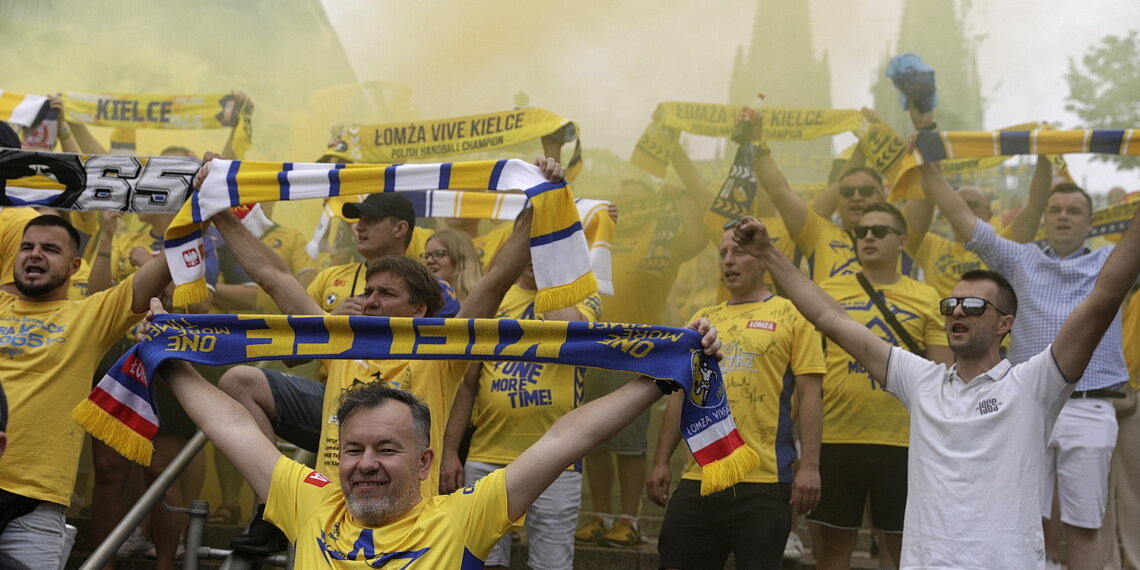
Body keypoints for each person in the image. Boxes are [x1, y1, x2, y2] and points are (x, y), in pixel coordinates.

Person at [148, 294, 719, 566]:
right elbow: (229, 423)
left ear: (424, 463)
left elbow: (564, 440)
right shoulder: (309, 502)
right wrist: (164, 353)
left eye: (386, 448)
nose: (364, 463)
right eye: (353, 449)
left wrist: (662, 376)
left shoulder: (461, 517)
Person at [730, 195, 1140, 568]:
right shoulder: (921, 380)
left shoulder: (1033, 384)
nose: (958, 312)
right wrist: (767, 251)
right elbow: (830, 319)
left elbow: (1103, 297)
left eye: (974, 305)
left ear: (1005, 324)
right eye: (951, 304)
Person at [205, 154, 563, 555]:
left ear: (419, 310)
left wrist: (539, 201)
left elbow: (495, 281)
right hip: (331, 522)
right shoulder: (339, 341)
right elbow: (274, 277)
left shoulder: (441, 352)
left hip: (413, 531)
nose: (370, 301)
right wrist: (219, 211)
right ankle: (267, 513)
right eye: (369, 291)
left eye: (386, 294)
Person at [915, 130, 1128, 570]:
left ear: (1092, 221)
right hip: (1023, 404)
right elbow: (960, 217)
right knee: (1026, 518)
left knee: (1084, 527)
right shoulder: (1019, 258)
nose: (1064, 217)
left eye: (1075, 211)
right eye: (1055, 210)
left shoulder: (1110, 263)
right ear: (1044, 218)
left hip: (1090, 407)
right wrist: (923, 160)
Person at [646, 228, 825, 569]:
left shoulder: (793, 315)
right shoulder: (701, 318)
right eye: (722, 252)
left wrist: (810, 467)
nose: (728, 260)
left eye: (738, 251)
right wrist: (660, 462)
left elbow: (810, 394)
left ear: (763, 259)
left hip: (764, 480)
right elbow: (679, 393)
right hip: (699, 477)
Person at [0, 214, 170, 568]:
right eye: (27, 247)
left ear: (75, 265)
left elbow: (165, 266)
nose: (35, 255)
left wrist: (206, 201)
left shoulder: (90, 315)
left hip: (36, 503)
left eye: (50, 249)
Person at [439, 255, 601, 570]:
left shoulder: (582, 296)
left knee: (551, 565)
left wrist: (550, 276)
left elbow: (571, 335)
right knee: (485, 562)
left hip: (558, 459)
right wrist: (449, 451)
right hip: (486, 456)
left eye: (543, 247)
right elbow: (467, 384)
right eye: (527, 247)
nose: (534, 256)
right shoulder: (496, 300)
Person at [419, 229, 482, 302]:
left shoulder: (485, 298)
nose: (429, 260)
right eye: (427, 256)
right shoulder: (420, 299)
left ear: (460, 259)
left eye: (438, 254)